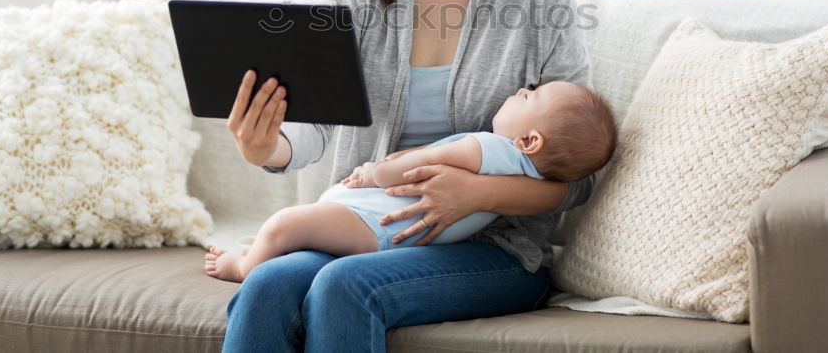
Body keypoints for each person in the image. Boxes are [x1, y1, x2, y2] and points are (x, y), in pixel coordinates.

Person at [220, 0, 599, 352]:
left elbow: (573, 180)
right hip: (370, 228)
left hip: (491, 250)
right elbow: (313, 129)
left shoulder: (539, 1)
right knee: (268, 282)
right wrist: (264, 148)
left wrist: (473, 193)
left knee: (343, 288)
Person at [205, 80, 616, 282]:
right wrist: (268, 147)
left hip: (380, 227)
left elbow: (427, 160)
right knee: (290, 247)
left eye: (531, 96)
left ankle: (243, 266)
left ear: (530, 140)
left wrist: (375, 172)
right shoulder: (526, 166)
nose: (524, 88)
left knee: (284, 225)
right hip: (392, 231)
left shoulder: (491, 149)